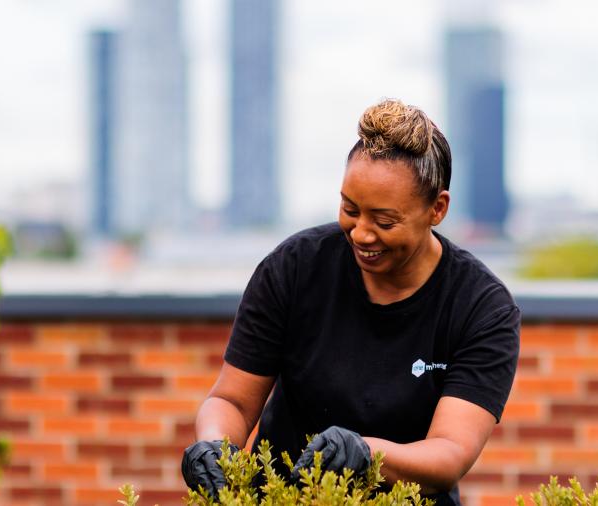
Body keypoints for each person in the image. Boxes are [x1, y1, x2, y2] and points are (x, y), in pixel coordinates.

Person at [181, 98, 520, 505]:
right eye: (350, 209)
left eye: (384, 221)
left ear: (437, 209)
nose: (360, 233)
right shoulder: (294, 268)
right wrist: (215, 446)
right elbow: (231, 401)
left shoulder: (481, 307)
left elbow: (450, 453)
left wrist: (364, 453)